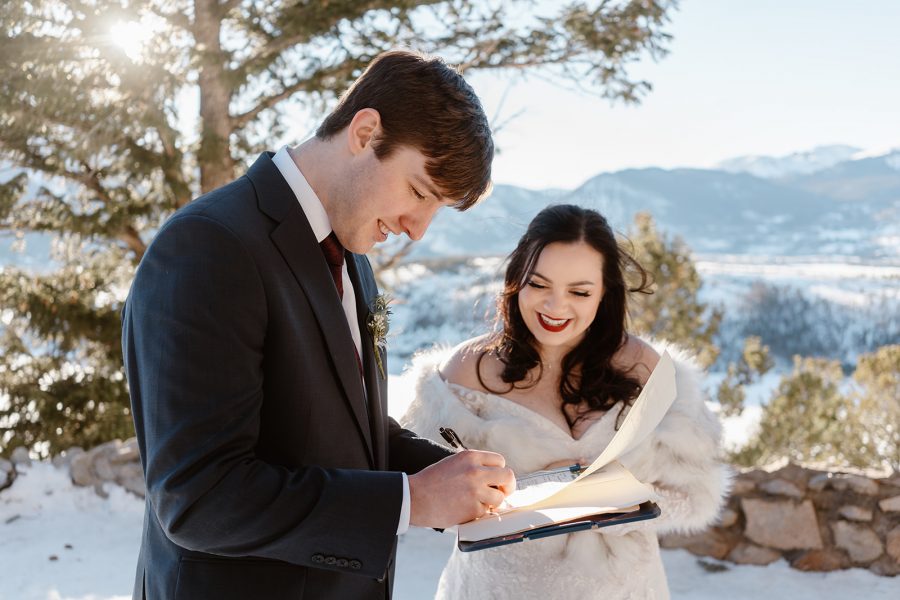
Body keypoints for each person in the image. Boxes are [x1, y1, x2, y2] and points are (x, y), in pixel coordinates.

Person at [121, 50, 515, 600]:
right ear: (365, 131)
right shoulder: (209, 245)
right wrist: (411, 501)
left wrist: (456, 479)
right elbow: (199, 499)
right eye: (420, 192)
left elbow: (345, 430)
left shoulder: (353, 260)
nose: (417, 229)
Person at [401, 204, 730, 600]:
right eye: (539, 285)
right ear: (517, 279)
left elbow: (696, 496)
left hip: (625, 589)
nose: (555, 307)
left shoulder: (648, 370)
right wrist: (535, 489)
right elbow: (426, 497)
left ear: (605, 292)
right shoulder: (464, 373)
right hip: (498, 589)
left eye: (579, 291)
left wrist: (609, 499)